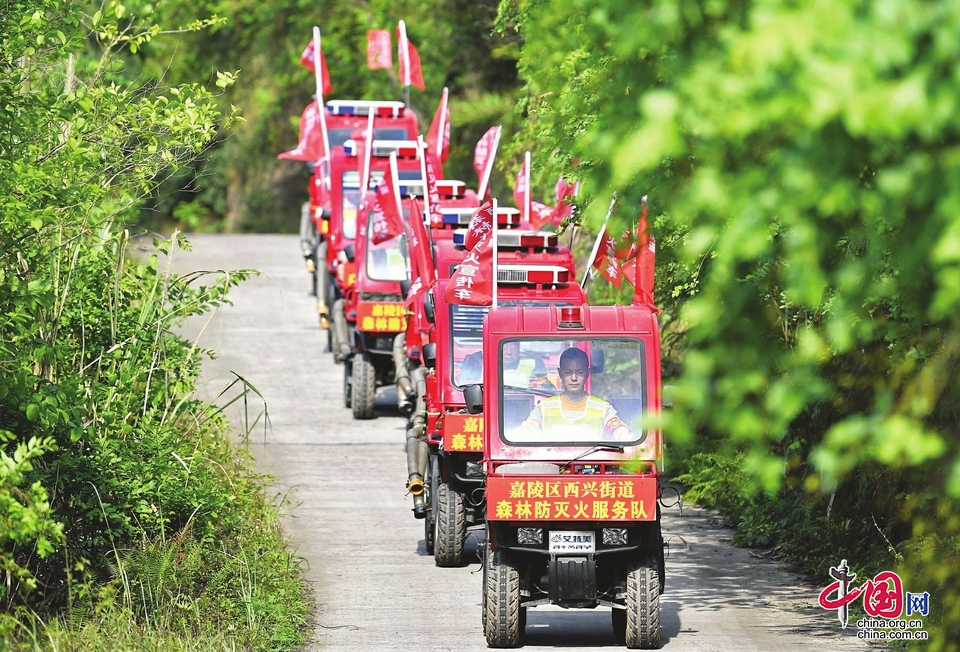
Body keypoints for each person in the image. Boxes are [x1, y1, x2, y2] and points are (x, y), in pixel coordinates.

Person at [519, 347, 630, 439]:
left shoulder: (603, 409)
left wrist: (622, 433)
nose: (574, 378)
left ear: (587, 373)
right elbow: (530, 427)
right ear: (560, 373)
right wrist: (524, 433)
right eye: (568, 372)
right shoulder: (543, 408)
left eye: (579, 372)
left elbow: (616, 427)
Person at [455, 341, 554, 390]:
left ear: (519, 347)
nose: (509, 352)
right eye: (505, 346)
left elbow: (545, 390)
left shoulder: (533, 364)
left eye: (513, 346)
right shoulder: (476, 362)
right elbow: (463, 388)